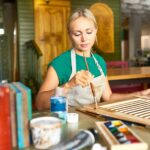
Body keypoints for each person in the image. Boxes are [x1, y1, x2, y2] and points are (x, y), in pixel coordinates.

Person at [35, 8, 150, 110]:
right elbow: (39, 103)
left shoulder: (99, 61)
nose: (84, 38)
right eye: (77, 33)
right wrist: (68, 85)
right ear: (70, 35)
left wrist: (139, 94)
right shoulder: (60, 63)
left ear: (96, 31)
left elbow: (108, 97)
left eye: (89, 32)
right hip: (71, 122)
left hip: (95, 120)